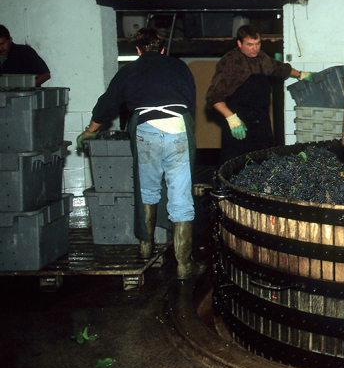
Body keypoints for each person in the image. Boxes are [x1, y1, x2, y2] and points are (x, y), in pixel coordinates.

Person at [76, 29, 204, 279]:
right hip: (177, 126)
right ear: (162, 49)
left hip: (145, 128)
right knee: (180, 195)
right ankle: (184, 264)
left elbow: (106, 104)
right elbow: (190, 102)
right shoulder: (179, 66)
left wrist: (90, 131)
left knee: (147, 188)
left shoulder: (130, 69)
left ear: (137, 50)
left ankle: (146, 247)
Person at [206, 24, 312, 163]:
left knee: (265, 163)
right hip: (239, 122)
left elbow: (279, 68)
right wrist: (232, 119)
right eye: (250, 45)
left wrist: (301, 74)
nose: (255, 48)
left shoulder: (261, 58)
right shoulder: (230, 62)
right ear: (239, 43)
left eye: (258, 44)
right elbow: (213, 96)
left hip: (261, 122)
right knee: (237, 165)